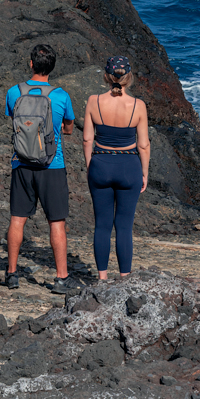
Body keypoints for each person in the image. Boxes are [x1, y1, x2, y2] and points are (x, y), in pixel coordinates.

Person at [5, 43, 77, 294]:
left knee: (17, 218)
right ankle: (61, 278)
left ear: (31, 63)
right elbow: (68, 128)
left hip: (21, 163)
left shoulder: (14, 92)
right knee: (56, 222)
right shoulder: (61, 96)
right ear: (52, 68)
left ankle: (12, 274)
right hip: (52, 165)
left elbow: (14, 121)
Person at [83, 55, 150, 280]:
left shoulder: (93, 101)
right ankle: (124, 279)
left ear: (106, 76)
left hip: (100, 164)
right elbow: (143, 144)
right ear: (128, 77)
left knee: (102, 225)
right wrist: (144, 173)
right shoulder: (138, 105)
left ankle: (102, 278)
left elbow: (87, 140)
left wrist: (90, 166)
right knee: (124, 226)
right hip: (128, 167)